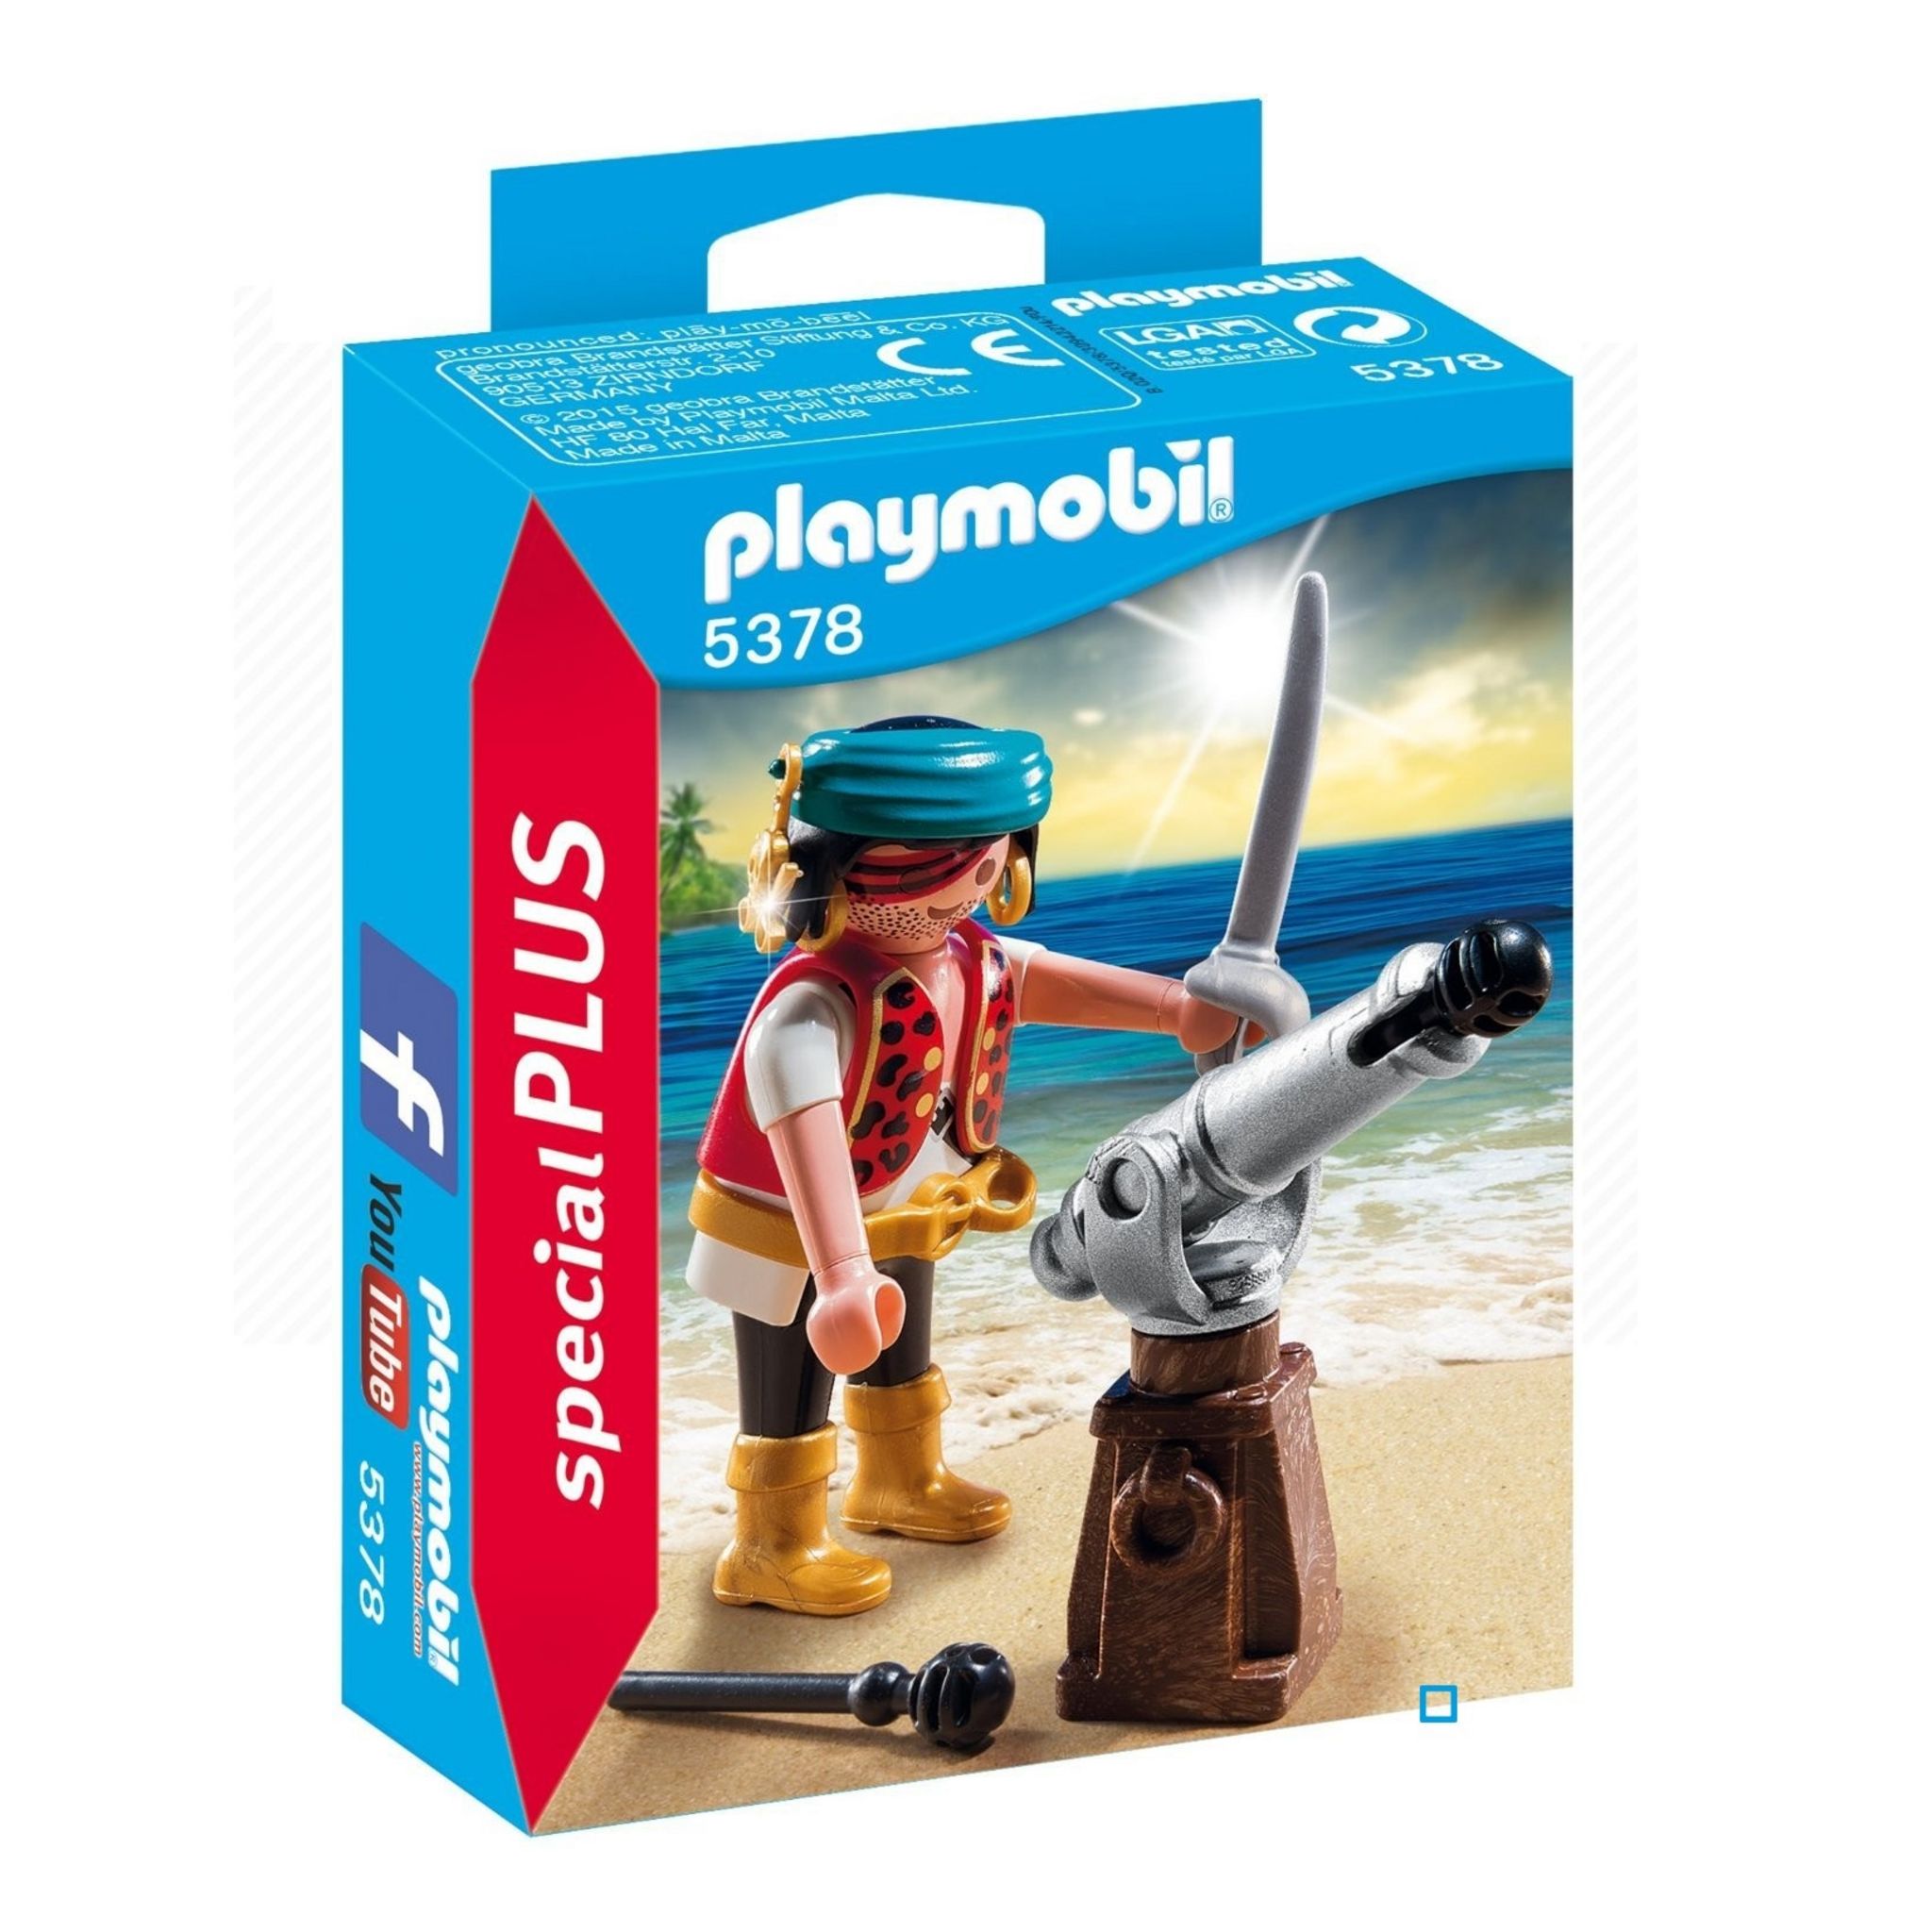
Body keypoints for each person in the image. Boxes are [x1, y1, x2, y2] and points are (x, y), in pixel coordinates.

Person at [687, 716, 1241, 1614]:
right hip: (789, 1229)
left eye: (982, 866)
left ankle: (897, 1482)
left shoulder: (971, 958)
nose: (959, 895)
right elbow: (805, 1129)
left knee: (900, 1345)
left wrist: (1177, 1007)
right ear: (830, 870)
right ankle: (770, 1543)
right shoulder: (808, 1008)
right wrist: (840, 1271)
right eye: (921, 874)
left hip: (908, 1199)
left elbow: (1057, 983)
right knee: (792, 1372)